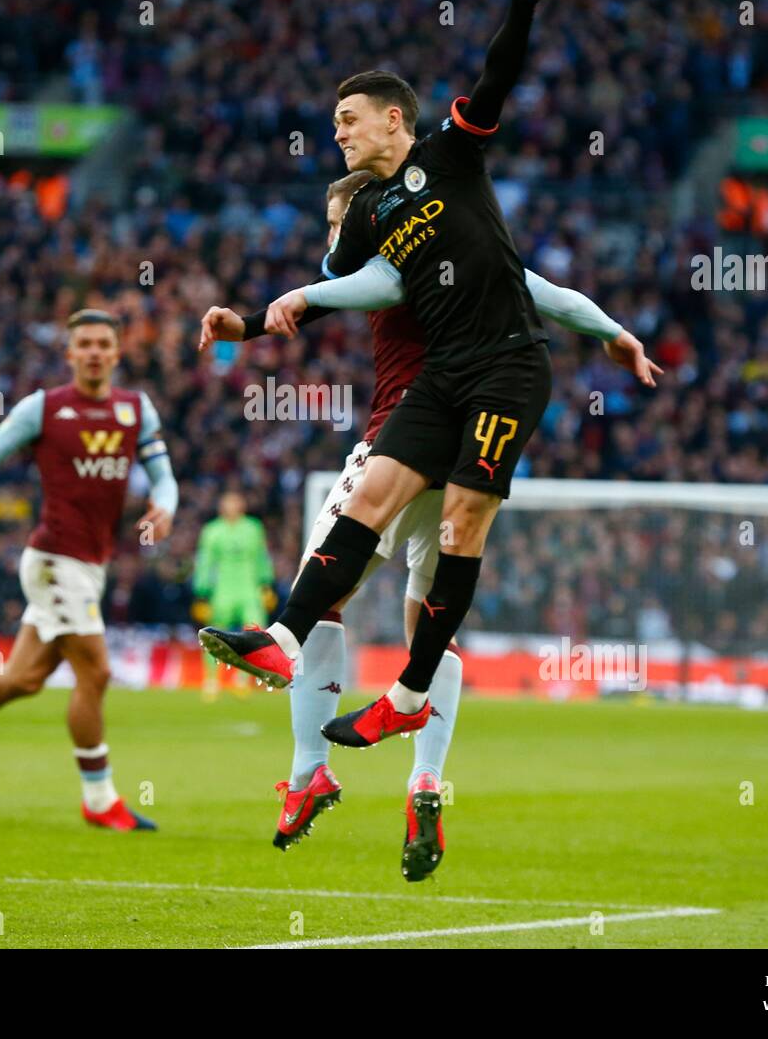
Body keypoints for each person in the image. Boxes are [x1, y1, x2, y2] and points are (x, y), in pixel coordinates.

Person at [199, 150, 660, 876]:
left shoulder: (387, 261)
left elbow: (342, 287)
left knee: (321, 598)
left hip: (400, 444)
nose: (331, 237)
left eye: (336, 222)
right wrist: (616, 333)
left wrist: (260, 318)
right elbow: (552, 293)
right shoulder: (472, 257)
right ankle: (424, 781)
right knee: (426, 627)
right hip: (465, 455)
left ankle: (309, 766)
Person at [0, 309, 178, 832]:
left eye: (102, 344)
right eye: (83, 344)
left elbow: (163, 474)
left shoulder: (137, 410)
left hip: (92, 565)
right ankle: (99, 799)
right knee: (96, 671)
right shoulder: (43, 409)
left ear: (117, 353)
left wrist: (165, 504)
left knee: (22, 679)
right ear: (69, 354)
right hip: (53, 560)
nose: (93, 352)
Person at [191, 489, 275, 700]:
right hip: (222, 590)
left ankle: (242, 679)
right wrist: (202, 593)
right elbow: (205, 562)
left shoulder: (253, 528)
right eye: (228, 503)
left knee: (254, 634)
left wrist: (266, 583)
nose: (232, 507)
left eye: (236, 502)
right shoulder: (212, 531)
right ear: (221, 506)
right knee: (214, 635)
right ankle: (212, 679)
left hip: (249, 589)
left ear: (242, 505)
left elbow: (261, 557)